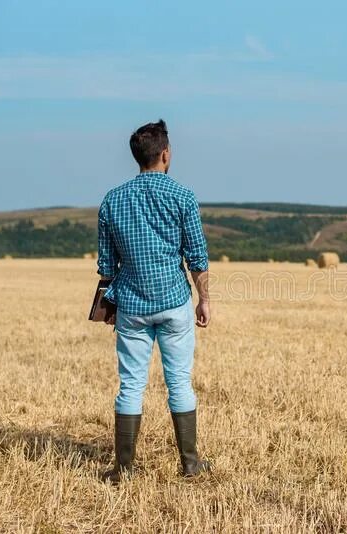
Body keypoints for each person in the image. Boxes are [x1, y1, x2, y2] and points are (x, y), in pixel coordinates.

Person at [96, 119, 212, 482]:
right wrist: (204, 299)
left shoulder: (111, 200)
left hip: (131, 304)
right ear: (165, 154)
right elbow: (197, 257)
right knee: (179, 383)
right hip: (175, 301)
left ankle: (124, 469)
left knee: (131, 385)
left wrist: (108, 305)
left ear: (137, 157)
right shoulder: (183, 196)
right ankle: (190, 463)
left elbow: (105, 265)